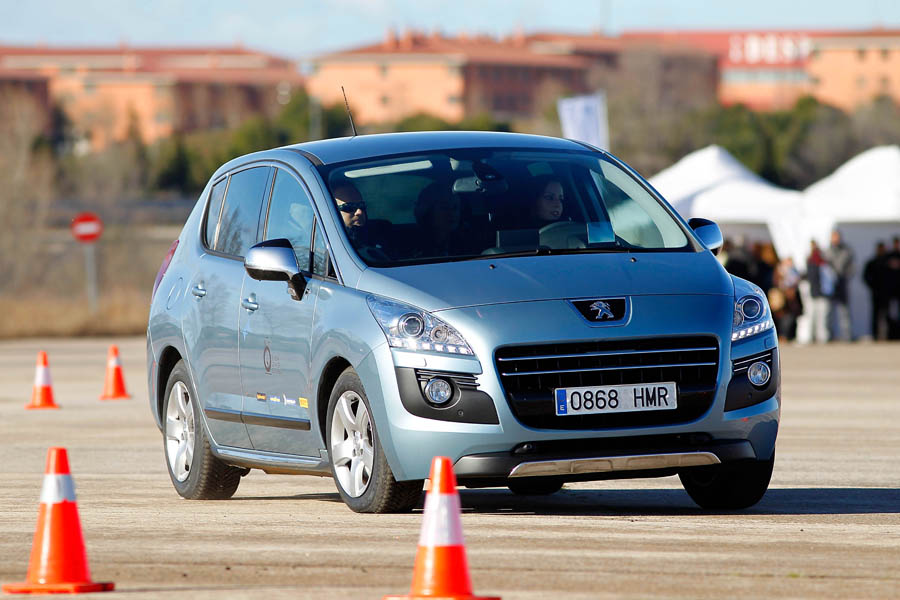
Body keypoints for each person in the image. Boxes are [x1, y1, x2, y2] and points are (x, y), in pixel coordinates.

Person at [412, 182, 469, 258]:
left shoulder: (469, 245)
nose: (452, 213)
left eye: (455, 207)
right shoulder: (411, 247)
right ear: (427, 211)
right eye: (444, 207)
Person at [824, 229, 854, 341]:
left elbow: (852, 267)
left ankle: (847, 336)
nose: (835, 239)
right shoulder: (827, 252)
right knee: (829, 312)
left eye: (837, 237)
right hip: (830, 286)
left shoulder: (846, 251)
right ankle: (828, 336)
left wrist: (846, 277)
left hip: (842, 284)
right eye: (833, 237)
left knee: (844, 311)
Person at [803, 240, 833, 344]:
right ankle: (812, 336)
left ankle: (822, 337)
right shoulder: (810, 262)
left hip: (821, 294)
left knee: (822, 318)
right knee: (813, 317)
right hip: (814, 294)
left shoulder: (823, 264)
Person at [863, 241, 889, 340]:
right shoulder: (872, 262)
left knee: (887, 314)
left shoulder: (888, 262)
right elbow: (866, 276)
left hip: (887, 293)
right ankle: (875, 334)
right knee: (875, 314)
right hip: (875, 293)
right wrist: (872, 286)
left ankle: (888, 335)